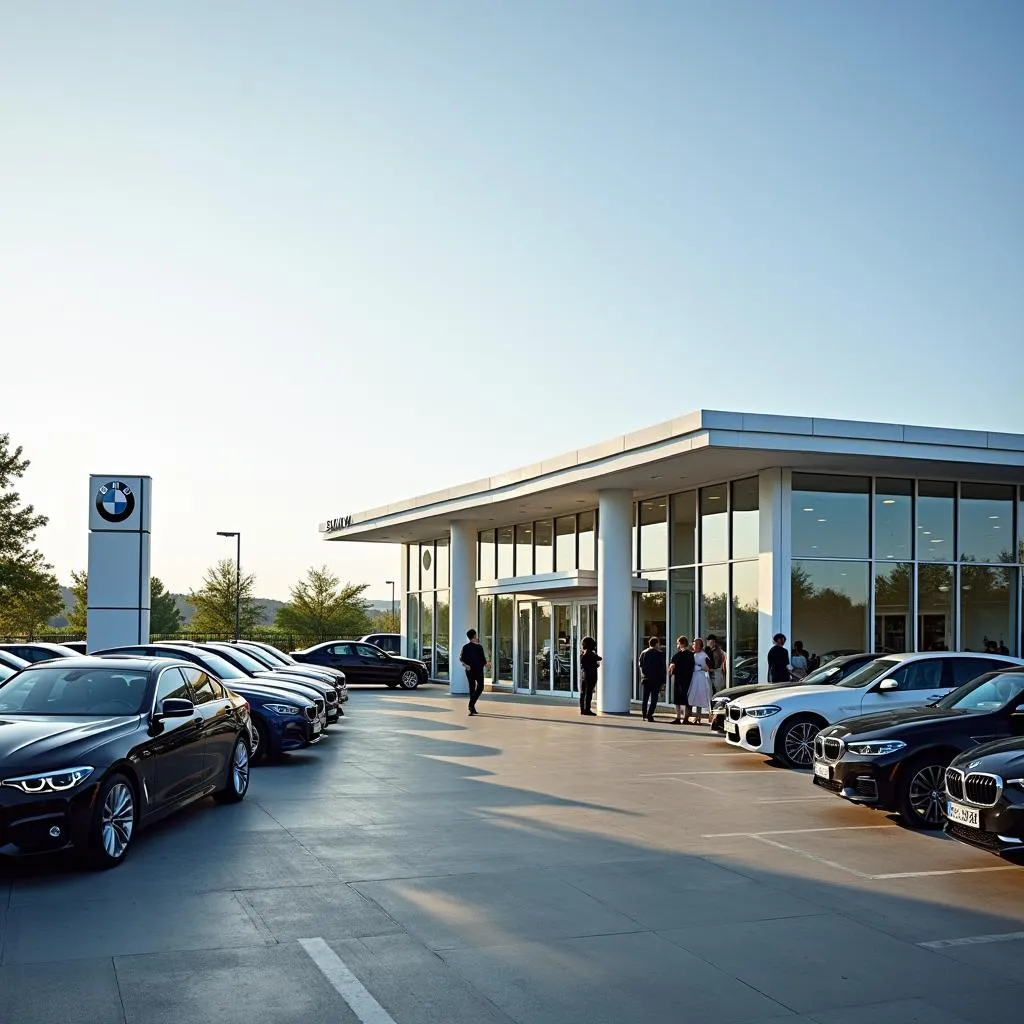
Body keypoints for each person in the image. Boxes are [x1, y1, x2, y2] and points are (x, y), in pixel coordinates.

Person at [459, 628, 490, 716]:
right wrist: (466, 665)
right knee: (476, 687)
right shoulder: (472, 647)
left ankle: (471, 705)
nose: (477, 637)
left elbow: (461, 659)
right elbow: (461, 659)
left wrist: (486, 664)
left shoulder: (473, 647)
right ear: (474, 636)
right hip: (474, 671)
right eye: (476, 635)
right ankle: (472, 707)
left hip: (474, 671)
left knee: (476, 687)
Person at [638, 636, 666, 722]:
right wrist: (663, 680)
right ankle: (650, 715)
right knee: (654, 698)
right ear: (656, 644)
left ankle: (644, 714)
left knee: (645, 698)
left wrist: (643, 675)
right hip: (656, 679)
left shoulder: (643, 653)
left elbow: (640, 665)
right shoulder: (660, 654)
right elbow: (662, 668)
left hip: (646, 678)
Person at [669, 636, 695, 724]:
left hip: (679, 679)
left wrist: (672, 668)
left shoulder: (678, 655)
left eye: (678, 643)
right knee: (685, 698)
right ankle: (685, 718)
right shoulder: (691, 655)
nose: (677, 645)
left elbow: (672, 666)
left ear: (681, 644)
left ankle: (679, 717)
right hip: (686, 679)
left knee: (679, 698)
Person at [688, 638, 712, 725]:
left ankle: (699, 717)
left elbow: (707, 668)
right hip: (693, 678)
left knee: (699, 697)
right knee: (691, 696)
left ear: (700, 646)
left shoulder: (704, 655)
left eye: (696, 644)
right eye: (694, 644)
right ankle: (690, 716)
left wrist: (699, 667)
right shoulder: (692, 655)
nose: (694, 646)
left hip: (700, 678)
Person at [579, 636, 602, 716]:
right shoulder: (590, 653)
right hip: (590, 675)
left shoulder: (583, 653)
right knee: (588, 693)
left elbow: (585, 664)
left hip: (584, 675)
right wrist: (596, 665)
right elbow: (599, 658)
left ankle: (582, 709)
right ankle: (587, 709)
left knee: (583, 693)